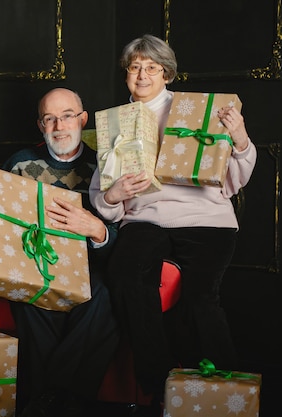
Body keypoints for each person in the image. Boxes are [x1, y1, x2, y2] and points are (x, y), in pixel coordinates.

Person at [89, 34, 257, 416]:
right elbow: (104, 199)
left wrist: (240, 139)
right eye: (135, 67)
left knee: (201, 296)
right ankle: (161, 383)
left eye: (152, 67)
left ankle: (228, 391)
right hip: (145, 219)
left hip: (206, 219)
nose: (143, 74)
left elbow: (232, 181)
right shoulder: (115, 122)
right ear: (126, 74)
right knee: (127, 275)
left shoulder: (198, 111)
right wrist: (114, 195)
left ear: (167, 74)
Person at [0, 88, 120, 416]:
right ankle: (68, 404)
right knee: (29, 296)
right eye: (49, 118)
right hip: (32, 266)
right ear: (40, 125)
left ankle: (47, 401)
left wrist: (96, 228)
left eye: (66, 116)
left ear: (82, 119)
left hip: (92, 270)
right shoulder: (19, 164)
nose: (59, 125)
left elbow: (127, 240)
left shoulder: (105, 166)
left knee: (104, 295)